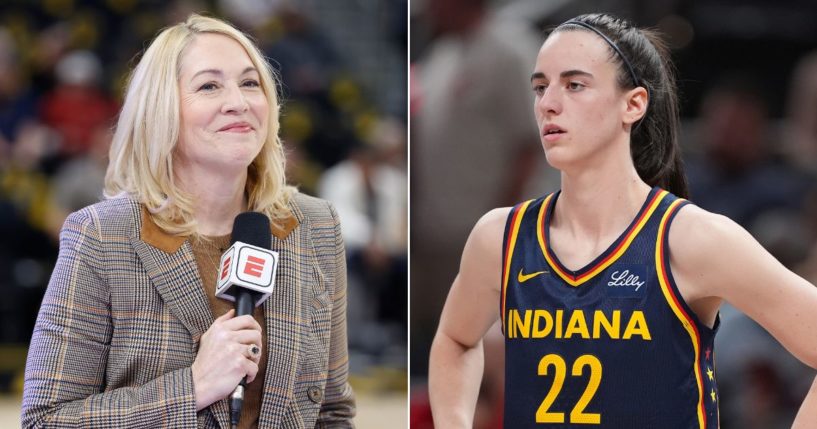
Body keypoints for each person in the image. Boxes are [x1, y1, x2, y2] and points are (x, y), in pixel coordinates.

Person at [428, 12, 817, 428]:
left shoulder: (691, 238)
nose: (549, 103)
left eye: (574, 85)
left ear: (633, 104)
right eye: (540, 87)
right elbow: (456, 339)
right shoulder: (499, 236)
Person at [22, 14, 355, 428]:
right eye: (209, 85)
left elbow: (331, 411)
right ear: (161, 111)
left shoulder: (317, 226)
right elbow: (45, 420)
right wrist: (194, 387)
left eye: (250, 83)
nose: (238, 101)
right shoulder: (101, 236)